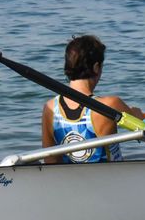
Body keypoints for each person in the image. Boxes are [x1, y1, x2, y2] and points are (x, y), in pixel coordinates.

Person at [40, 35, 139, 163]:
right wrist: (137, 113)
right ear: (96, 67)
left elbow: (50, 160)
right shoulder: (110, 104)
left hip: (69, 176)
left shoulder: (50, 108)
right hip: (112, 174)